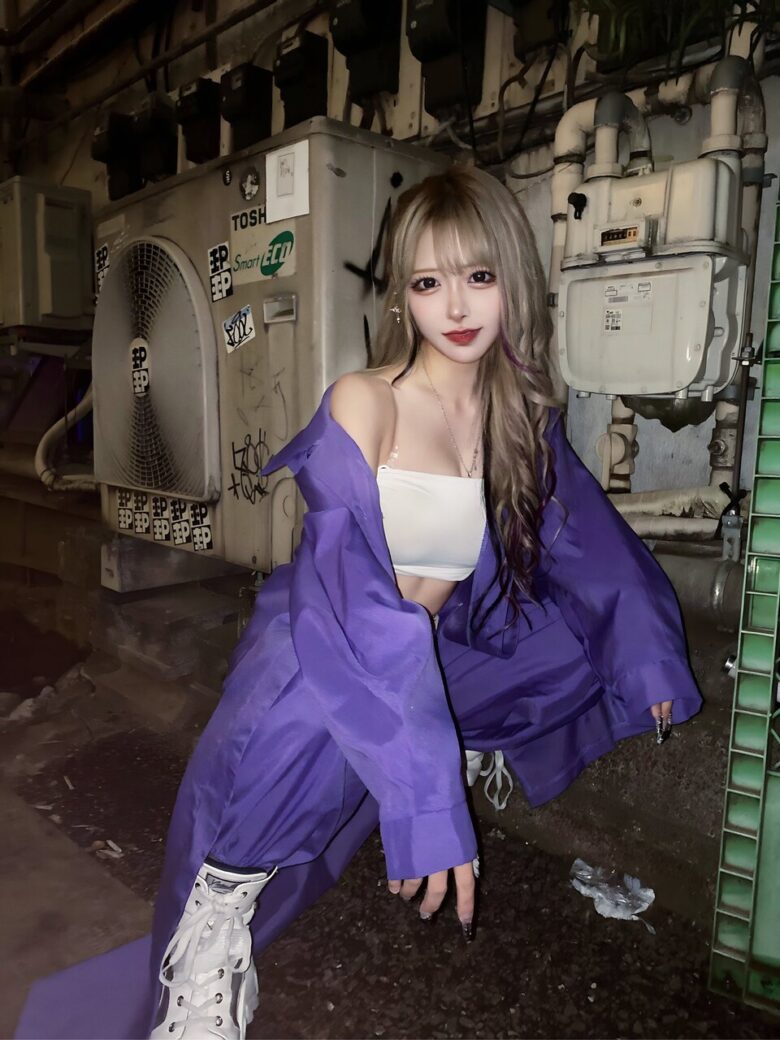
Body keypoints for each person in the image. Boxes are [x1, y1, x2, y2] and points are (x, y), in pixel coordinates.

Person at [15, 165, 702, 1040]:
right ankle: (215, 923)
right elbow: (354, 606)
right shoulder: (365, 401)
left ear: (513, 281)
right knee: (303, 734)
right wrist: (426, 800)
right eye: (428, 282)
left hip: (436, 648)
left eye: (479, 276)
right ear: (402, 296)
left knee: (585, 637)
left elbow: (592, 547)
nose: (457, 307)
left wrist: (646, 658)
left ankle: (465, 737)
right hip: (324, 641)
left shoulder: (519, 420)